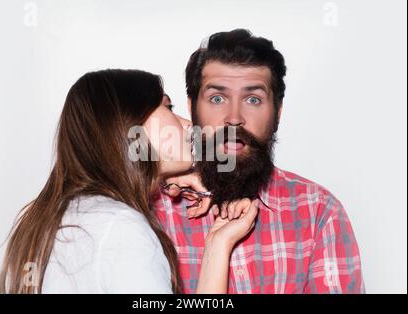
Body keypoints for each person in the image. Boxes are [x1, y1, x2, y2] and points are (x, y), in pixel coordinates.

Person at [0, 69, 258, 293]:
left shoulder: (56, 218)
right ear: (132, 124)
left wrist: (217, 243)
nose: (188, 124)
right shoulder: (120, 226)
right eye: (168, 107)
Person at [154, 29, 365, 294]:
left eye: (253, 99)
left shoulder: (319, 213)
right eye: (217, 98)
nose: (233, 118)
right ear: (192, 109)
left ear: (278, 112)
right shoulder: (152, 213)